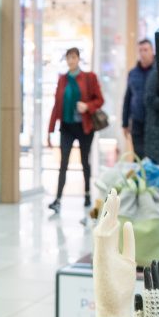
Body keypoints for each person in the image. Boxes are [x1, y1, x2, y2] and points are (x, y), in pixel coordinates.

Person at [46, 46, 104, 212]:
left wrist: (87, 106)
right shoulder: (62, 79)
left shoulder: (89, 77)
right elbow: (57, 105)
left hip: (84, 127)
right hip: (66, 126)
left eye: (74, 57)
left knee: (85, 161)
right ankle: (57, 199)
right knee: (63, 162)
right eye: (68, 58)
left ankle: (87, 195)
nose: (71, 61)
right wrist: (50, 130)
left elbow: (100, 100)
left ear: (78, 59)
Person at [121, 39, 155, 158]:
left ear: (152, 51)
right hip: (137, 122)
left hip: (154, 122)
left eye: (146, 50)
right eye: (140, 50)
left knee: (151, 157)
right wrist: (125, 122)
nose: (143, 53)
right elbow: (128, 98)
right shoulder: (133, 73)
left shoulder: (158, 72)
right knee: (138, 157)